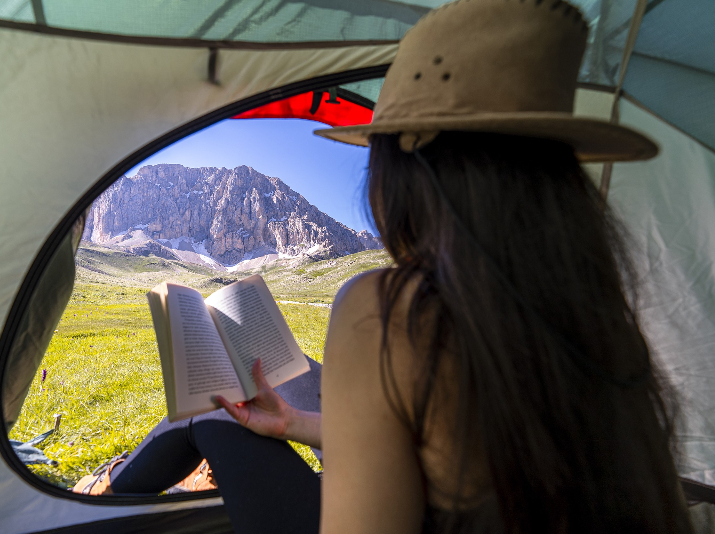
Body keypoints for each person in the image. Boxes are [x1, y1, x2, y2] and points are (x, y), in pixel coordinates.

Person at [90, 0, 696, 532]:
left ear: (410, 168)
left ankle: (108, 495)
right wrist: (294, 423)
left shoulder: (390, 309)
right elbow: (447, 454)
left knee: (209, 422)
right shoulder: (601, 319)